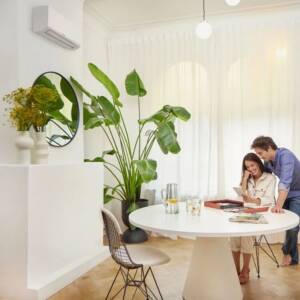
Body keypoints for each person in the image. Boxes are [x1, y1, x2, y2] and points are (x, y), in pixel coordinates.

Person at [251, 136, 300, 266]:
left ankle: (286, 253)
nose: (260, 156)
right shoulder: (268, 162)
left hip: (298, 193)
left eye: (260, 153)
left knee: (293, 226)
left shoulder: (286, 156)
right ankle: (294, 259)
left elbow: (285, 182)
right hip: (287, 194)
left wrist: (278, 205)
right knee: (289, 225)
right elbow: (263, 176)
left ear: (269, 148)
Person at [231, 153, 276, 284]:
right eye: (247, 167)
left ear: (258, 163)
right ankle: (235, 269)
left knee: (245, 234)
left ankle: (245, 269)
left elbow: (268, 199)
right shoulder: (248, 178)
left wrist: (252, 200)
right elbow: (242, 197)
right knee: (234, 233)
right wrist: (245, 178)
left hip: (263, 213)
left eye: (252, 165)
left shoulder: (270, 178)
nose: (250, 168)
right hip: (246, 212)